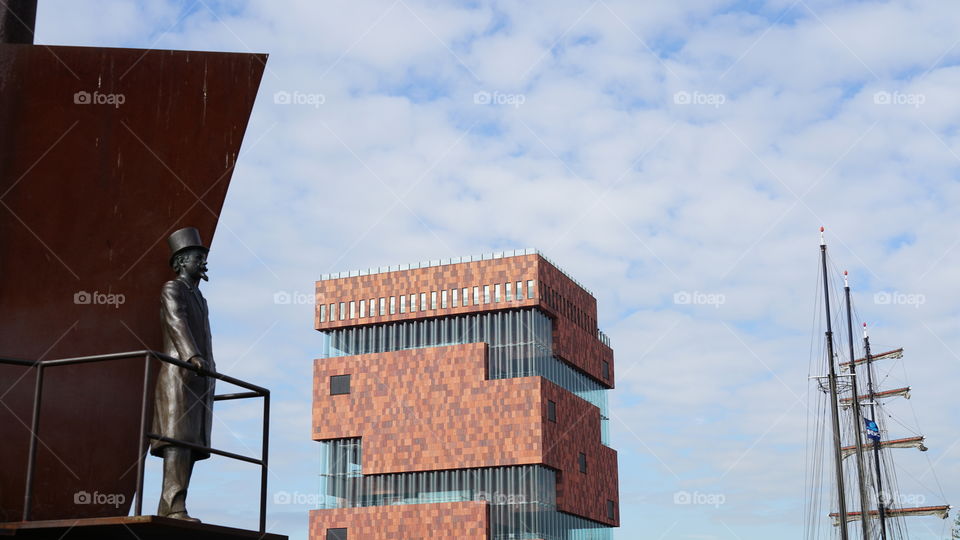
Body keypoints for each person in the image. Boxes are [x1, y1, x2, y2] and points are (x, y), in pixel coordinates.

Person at [151, 227, 216, 522]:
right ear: (180, 262)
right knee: (177, 440)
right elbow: (177, 323)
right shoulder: (172, 289)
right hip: (179, 374)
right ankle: (174, 505)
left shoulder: (201, 299)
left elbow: (207, 337)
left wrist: (209, 369)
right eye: (196, 257)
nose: (202, 262)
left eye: (203, 257)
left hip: (199, 377)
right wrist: (192, 357)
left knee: (190, 442)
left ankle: (172, 505)